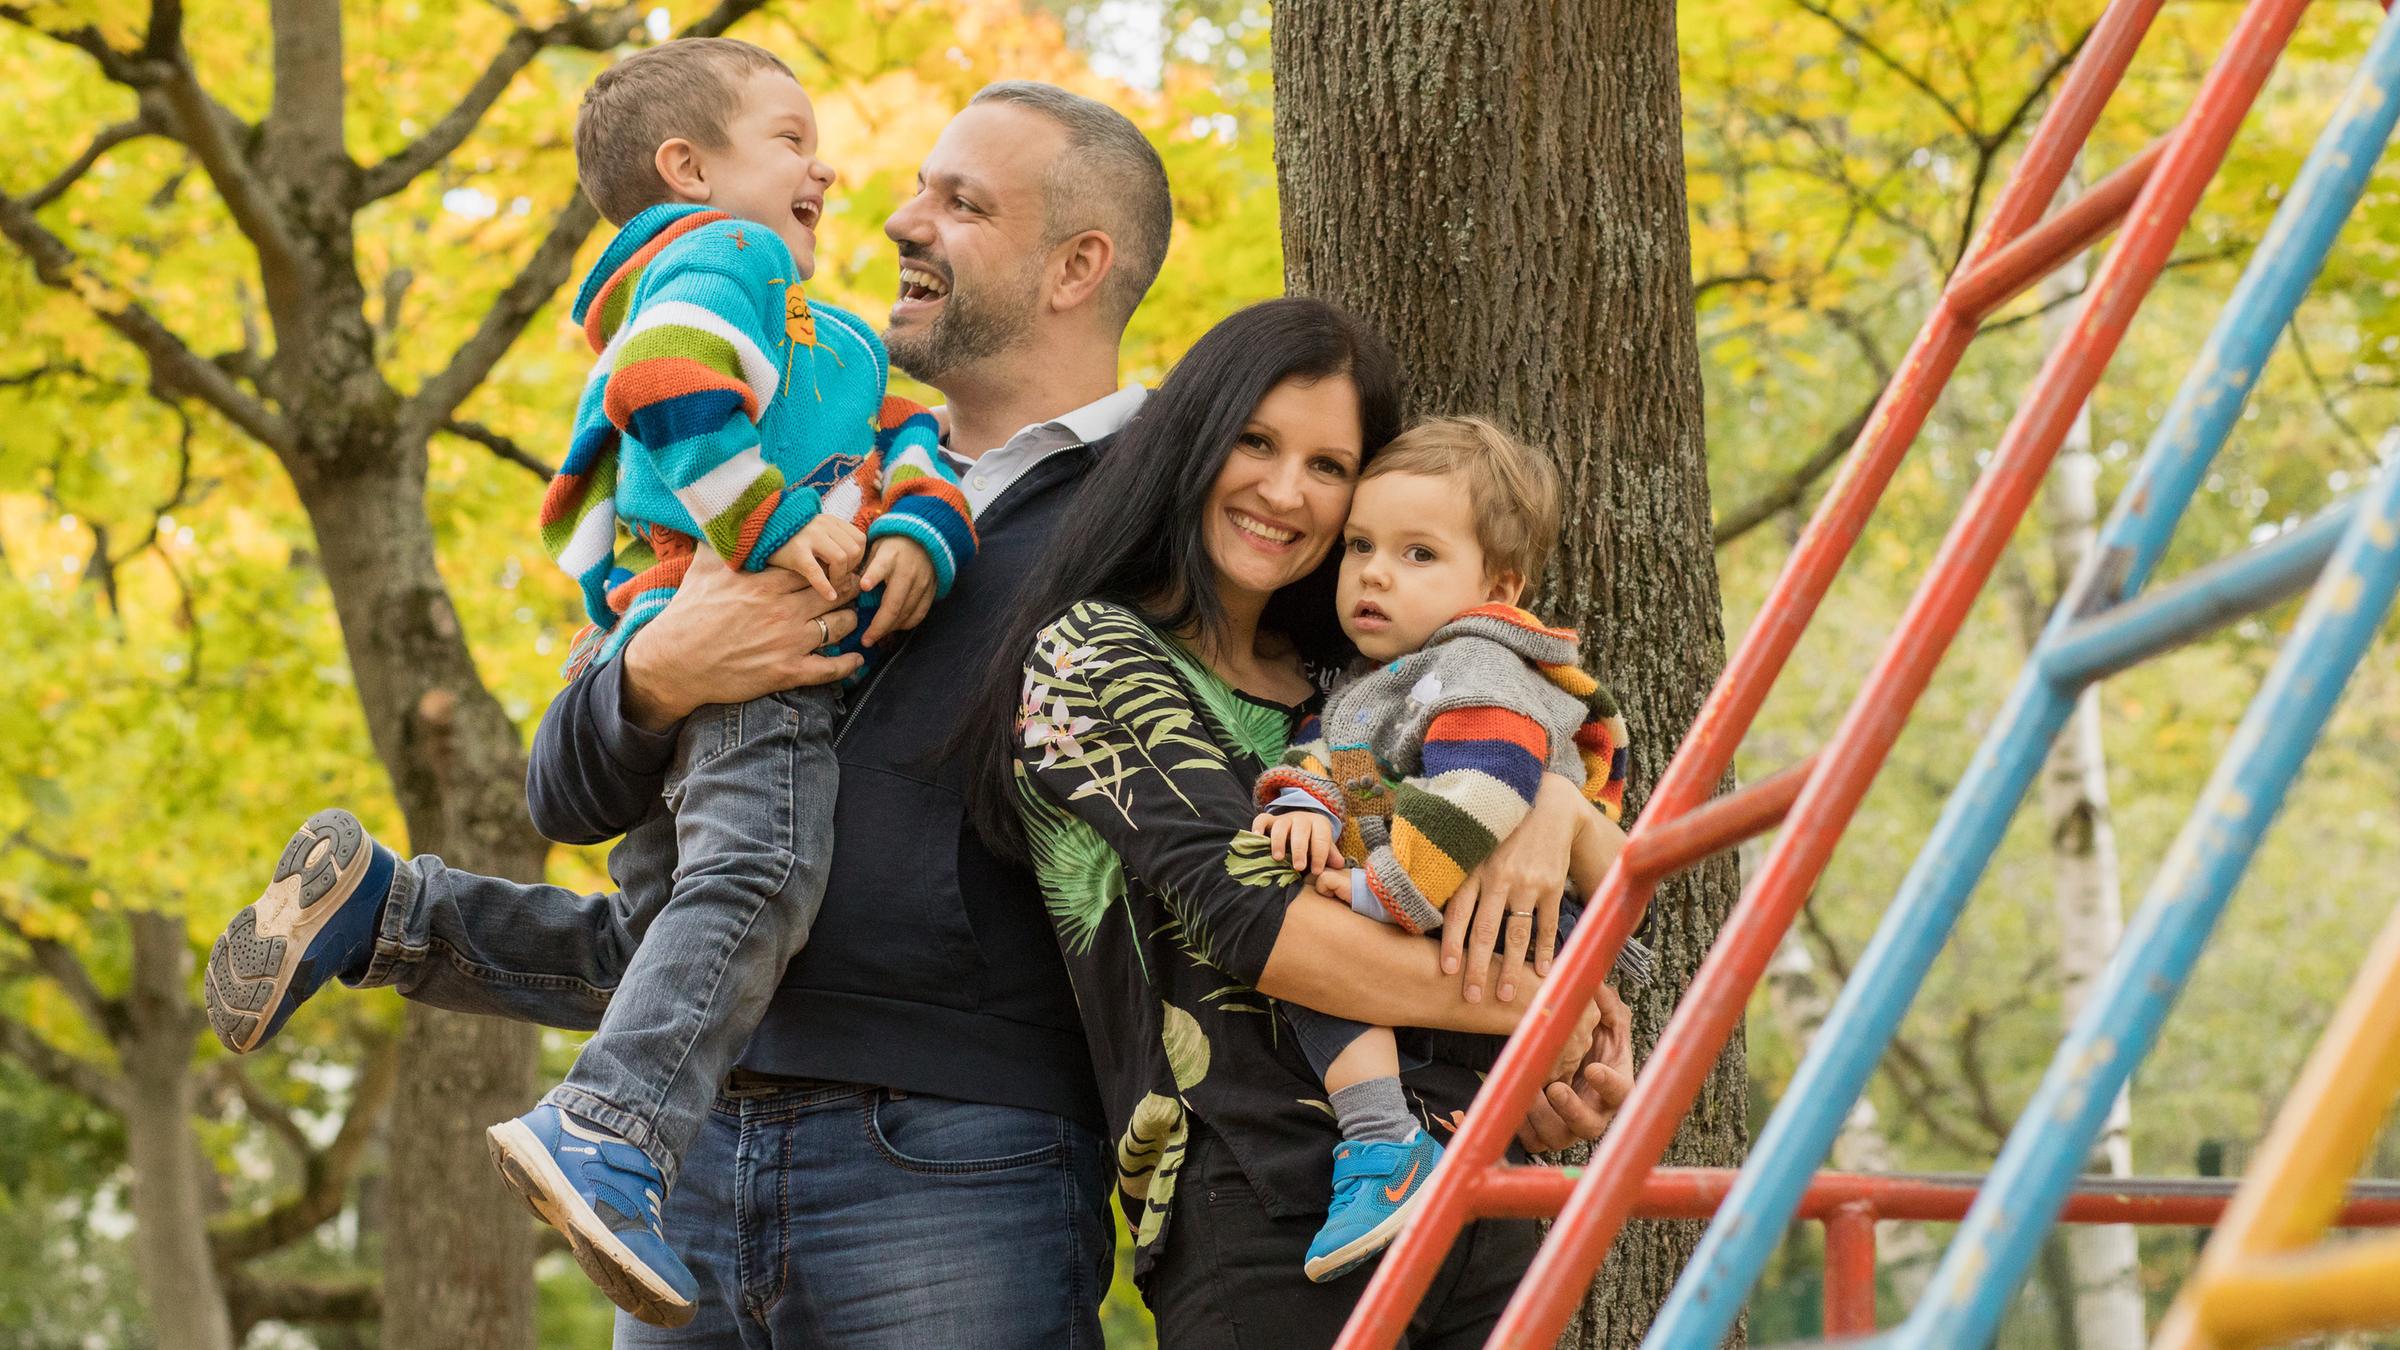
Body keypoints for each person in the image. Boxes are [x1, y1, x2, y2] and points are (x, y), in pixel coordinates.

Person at [198, 79, 1173, 1347]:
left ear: (1076, 265)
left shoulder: (1159, 511)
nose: (898, 219)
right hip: (682, 1154)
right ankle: (458, 979)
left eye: (960, 201)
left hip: (954, 1157)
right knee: (699, 898)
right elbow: (561, 789)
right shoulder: (776, 438)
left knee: (712, 896)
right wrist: (664, 672)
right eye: (917, 184)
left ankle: (404, 919)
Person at [962, 299, 1638, 1348]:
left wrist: (1547, 806)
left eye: (1329, 467)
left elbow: (1519, 839)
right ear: (1193, 439)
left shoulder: (1357, 690)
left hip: (1485, 1186)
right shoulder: (1093, 657)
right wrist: (1556, 1014)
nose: (1286, 492)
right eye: (1257, 442)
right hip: (1268, 1211)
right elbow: (1268, 928)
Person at [1248, 414, 1653, 1281]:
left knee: (1319, 957)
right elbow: (1338, 762)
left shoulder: (1476, 667)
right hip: (1461, 912)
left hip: (1522, 918)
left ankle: (1382, 1146)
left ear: (1498, 586)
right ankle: (1407, 1140)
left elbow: (1484, 788)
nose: (1375, 573)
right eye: (1360, 547)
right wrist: (1308, 806)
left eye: (1418, 554)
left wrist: (1382, 890)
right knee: (1322, 944)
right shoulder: (1382, 681)